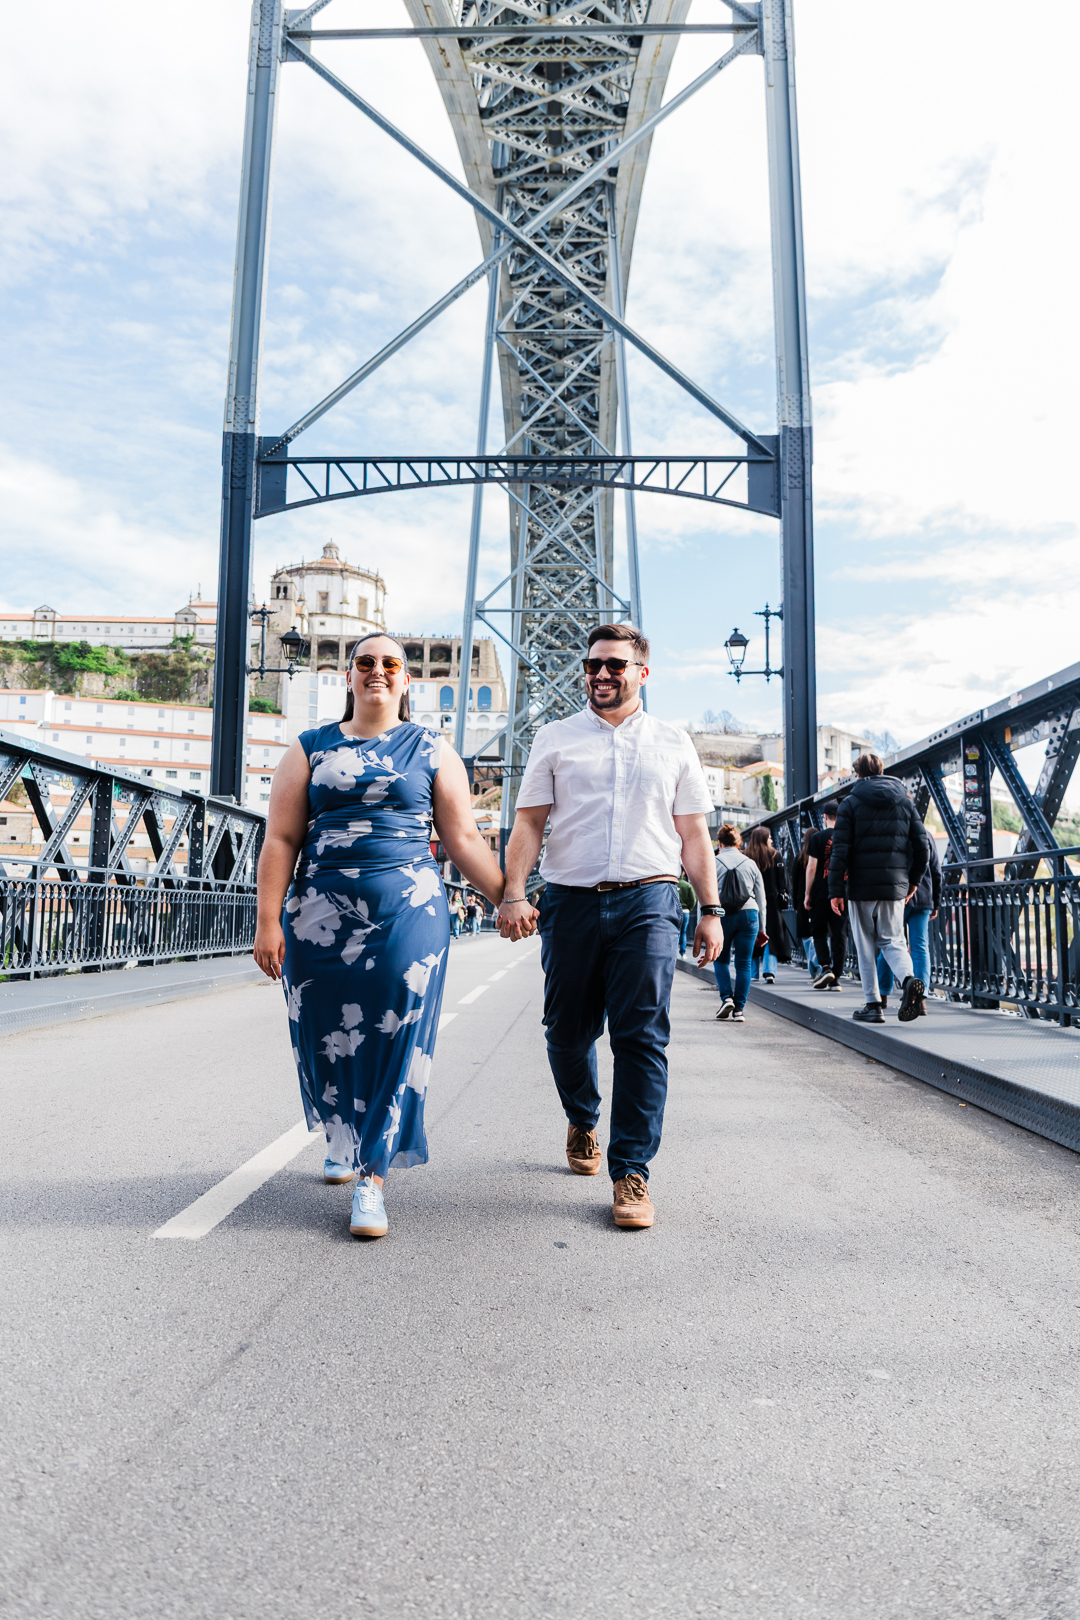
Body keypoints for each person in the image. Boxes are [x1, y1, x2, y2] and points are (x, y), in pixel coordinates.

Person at [253, 633, 505, 1240]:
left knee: (398, 1030)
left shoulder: (432, 748)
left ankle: (373, 1173)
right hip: (318, 913)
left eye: (391, 664)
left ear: (406, 679)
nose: (378, 672)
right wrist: (267, 920)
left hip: (408, 909)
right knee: (324, 1032)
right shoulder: (310, 747)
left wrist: (511, 898)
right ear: (348, 674)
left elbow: (463, 839)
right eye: (365, 662)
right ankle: (343, 1133)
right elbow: (281, 838)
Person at [497, 623, 724, 1230]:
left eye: (615, 665)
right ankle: (582, 1116)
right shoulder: (555, 738)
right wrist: (513, 892)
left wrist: (711, 909)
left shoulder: (674, 742)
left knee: (641, 1037)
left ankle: (631, 1171)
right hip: (570, 901)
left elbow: (693, 834)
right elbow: (529, 824)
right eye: (594, 664)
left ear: (642, 672)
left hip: (649, 899)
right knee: (567, 1034)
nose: (601, 674)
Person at [827, 753, 931, 1024]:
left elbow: (840, 851)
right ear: (882, 771)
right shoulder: (905, 802)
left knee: (865, 945)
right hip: (894, 886)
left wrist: (835, 890)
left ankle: (873, 1005)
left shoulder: (850, 803)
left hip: (860, 887)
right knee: (893, 941)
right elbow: (923, 847)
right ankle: (909, 980)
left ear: (858, 774)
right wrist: (914, 881)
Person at [876, 832, 941, 1014]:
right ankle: (921, 999)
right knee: (920, 947)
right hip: (923, 898)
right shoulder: (927, 836)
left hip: (897, 897)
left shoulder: (895, 831)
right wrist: (936, 902)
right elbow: (936, 871)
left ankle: (882, 994)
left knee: (889, 943)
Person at [713, 825, 766, 1021]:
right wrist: (763, 928)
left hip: (722, 914)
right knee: (744, 963)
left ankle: (727, 998)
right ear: (738, 843)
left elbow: (705, 895)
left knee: (721, 959)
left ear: (719, 843)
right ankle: (739, 1010)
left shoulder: (713, 862)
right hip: (749, 914)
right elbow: (761, 900)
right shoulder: (750, 864)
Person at [804, 804, 848, 992]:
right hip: (843, 892)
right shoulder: (847, 836)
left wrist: (807, 893)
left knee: (819, 931)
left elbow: (812, 867)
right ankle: (836, 978)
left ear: (824, 817)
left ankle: (826, 967)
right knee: (840, 934)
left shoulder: (817, 838)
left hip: (821, 891)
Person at [743, 826, 790, 984]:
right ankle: (769, 971)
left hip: (750, 901)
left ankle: (753, 972)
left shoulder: (746, 856)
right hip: (772, 901)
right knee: (771, 935)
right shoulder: (775, 855)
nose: (771, 840)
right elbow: (783, 880)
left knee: (752, 933)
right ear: (764, 839)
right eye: (769, 837)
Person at [792, 828, 820, 977]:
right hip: (819, 897)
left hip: (802, 899)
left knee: (806, 935)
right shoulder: (821, 856)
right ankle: (817, 964)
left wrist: (795, 902)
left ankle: (814, 966)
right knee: (820, 932)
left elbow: (795, 883)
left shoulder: (799, 858)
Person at [677, 872, 696, 957]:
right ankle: (682, 952)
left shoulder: (672, 884)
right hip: (685, 912)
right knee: (683, 932)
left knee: (673, 932)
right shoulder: (687, 885)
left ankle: (672, 952)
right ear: (683, 873)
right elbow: (693, 900)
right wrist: (689, 909)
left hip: (673, 911)